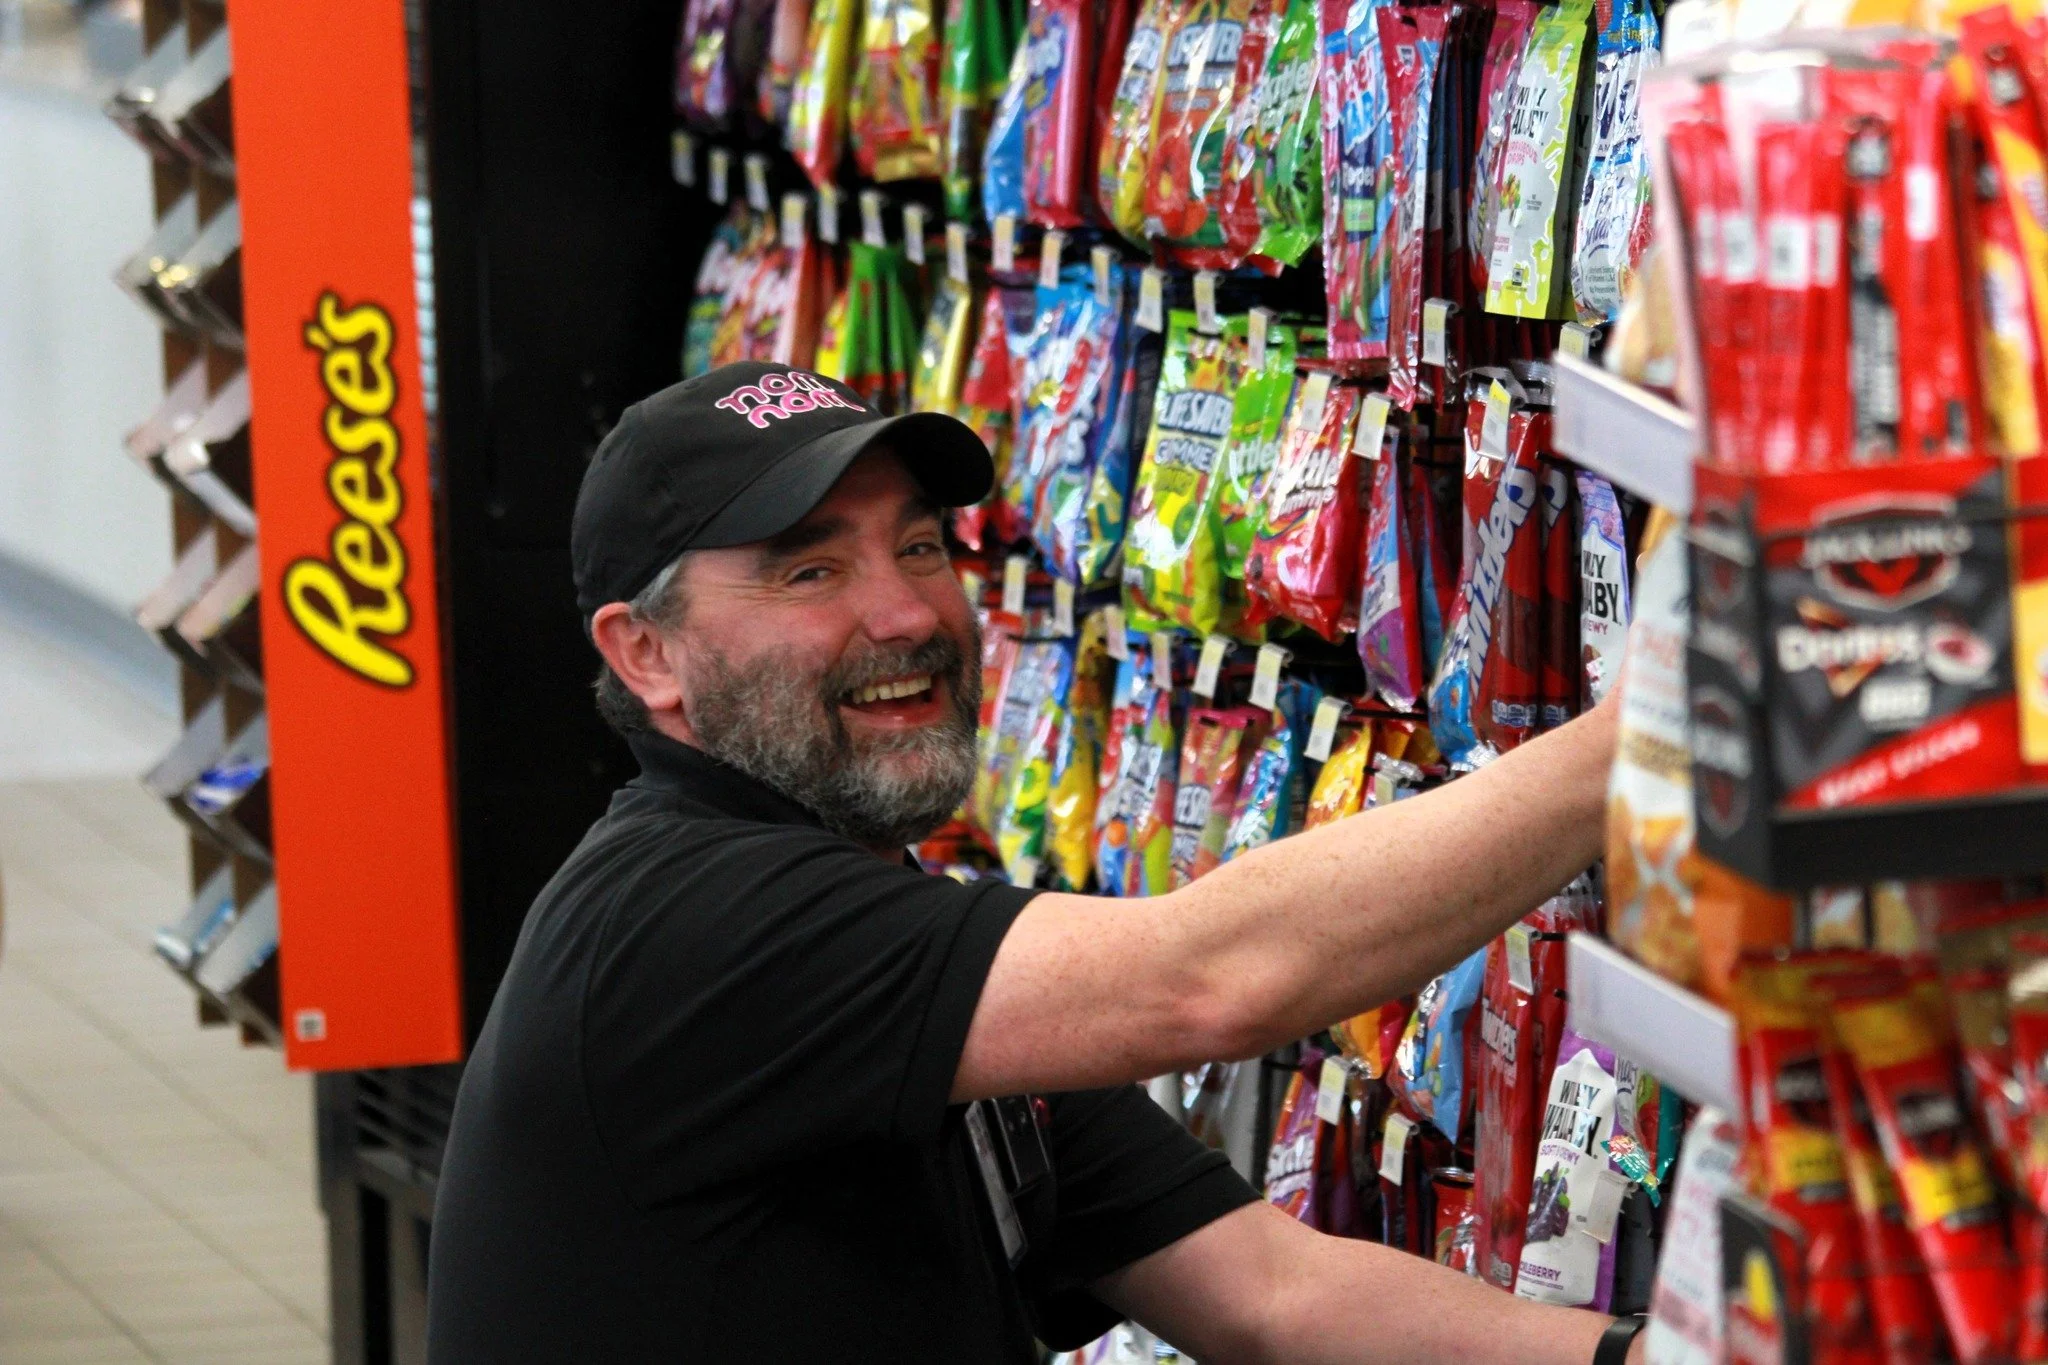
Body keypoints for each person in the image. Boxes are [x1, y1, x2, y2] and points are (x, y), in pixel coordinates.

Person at [427, 362, 1645, 1365]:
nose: (907, 614)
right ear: (647, 656)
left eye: (917, 547)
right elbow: (1210, 978)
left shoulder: (903, 958)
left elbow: (1272, 1294)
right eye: (810, 570)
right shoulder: (683, 922)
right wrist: (1641, 739)